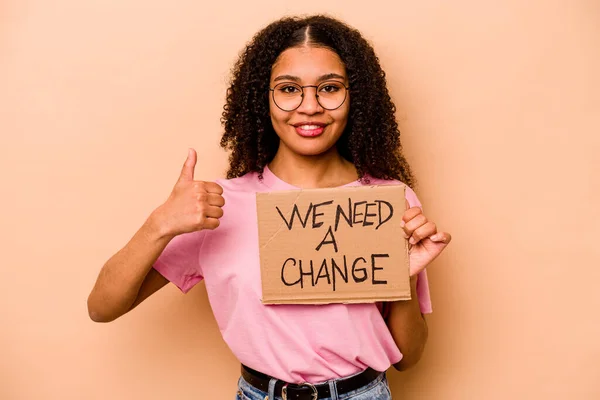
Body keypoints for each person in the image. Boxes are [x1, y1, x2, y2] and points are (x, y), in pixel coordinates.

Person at [87, 14, 451, 400]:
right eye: (288, 89)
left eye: (329, 88)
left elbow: (408, 358)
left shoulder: (388, 201)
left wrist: (403, 281)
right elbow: (102, 307)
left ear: (355, 97)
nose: (309, 106)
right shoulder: (217, 207)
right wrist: (159, 224)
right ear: (263, 98)